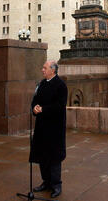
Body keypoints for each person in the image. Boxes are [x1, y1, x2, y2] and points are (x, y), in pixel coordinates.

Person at [29, 60, 68, 198]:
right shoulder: (41, 84)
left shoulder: (61, 85)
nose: (42, 70)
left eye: (45, 68)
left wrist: (43, 109)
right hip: (41, 127)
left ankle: (56, 185)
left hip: (55, 128)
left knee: (54, 157)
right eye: (43, 68)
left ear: (53, 70)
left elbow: (59, 106)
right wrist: (34, 107)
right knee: (42, 155)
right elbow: (35, 100)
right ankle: (46, 182)